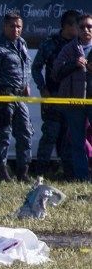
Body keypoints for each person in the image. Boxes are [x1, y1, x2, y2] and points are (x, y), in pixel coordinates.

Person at [0, 11, 33, 182]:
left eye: (19, 26)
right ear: (4, 27)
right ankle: (2, 172)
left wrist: (26, 84)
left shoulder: (22, 43)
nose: (16, 29)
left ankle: (23, 172)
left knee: (25, 133)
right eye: (12, 26)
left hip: (19, 97)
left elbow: (25, 66)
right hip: (3, 96)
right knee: (3, 135)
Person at [32, 10, 80, 179]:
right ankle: (40, 173)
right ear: (68, 26)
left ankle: (68, 174)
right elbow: (36, 68)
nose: (81, 30)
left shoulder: (79, 44)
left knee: (69, 137)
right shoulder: (50, 43)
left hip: (72, 98)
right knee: (50, 135)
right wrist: (42, 88)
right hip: (53, 96)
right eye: (78, 26)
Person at [53, 13, 92, 182]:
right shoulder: (68, 49)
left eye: (89, 26)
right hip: (75, 103)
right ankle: (82, 177)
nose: (86, 30)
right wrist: (74, 64)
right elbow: (56, 72)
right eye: (82, 27)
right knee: (77, 142)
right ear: (76, 29)